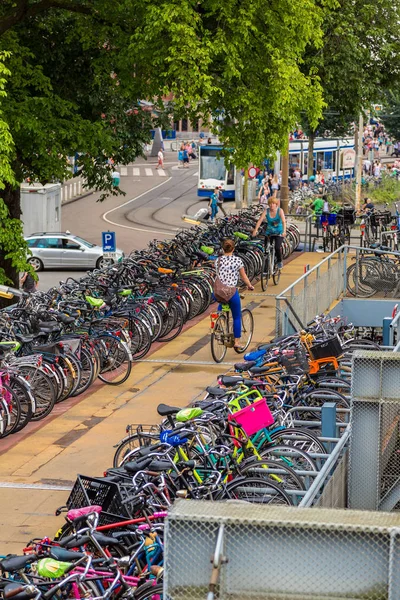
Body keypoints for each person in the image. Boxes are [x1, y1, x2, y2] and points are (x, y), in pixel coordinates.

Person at [215, 238, 254, 349]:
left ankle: (219, 321)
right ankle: (236, 342)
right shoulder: (237, 261)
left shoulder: (217, 261)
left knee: (221, 305)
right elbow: (244, 276)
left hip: (219, 292)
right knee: (237, 317)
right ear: (233, 248)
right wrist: (249, 285)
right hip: (231, 292)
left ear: (223, 248)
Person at [252, 196, 286, 270]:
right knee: (266, 250)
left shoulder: (280, 211)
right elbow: (260, 220)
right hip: (269, 232)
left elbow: (283, 221)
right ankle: (266, 267)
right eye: (270, 204)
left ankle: (279, 261)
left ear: (276, 204)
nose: (271, 205)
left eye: (273, 203)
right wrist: (255, 230)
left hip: (279, 232)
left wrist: (284, 231)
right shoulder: (266, 211)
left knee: (277, 247)